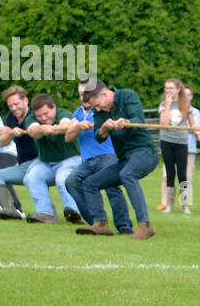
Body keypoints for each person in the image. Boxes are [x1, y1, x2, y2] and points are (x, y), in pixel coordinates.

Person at [70, 77, 159, 239]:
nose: (97, 109)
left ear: (105, 94)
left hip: (145, 153)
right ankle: (101, 224)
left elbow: (138, 119)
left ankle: (145, 225)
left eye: (97, 105)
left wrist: (126, 122)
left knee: (127, 174)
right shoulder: (99, 111)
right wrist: (105, 127)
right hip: (125, 159)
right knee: (90, 183)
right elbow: (99, 137)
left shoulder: (127, 96)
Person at [65, 85, 133, 235]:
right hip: (87, 161)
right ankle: (98, 222)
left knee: (112, 187)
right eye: (81, 93)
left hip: (107, 156)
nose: (84, 96)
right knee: (71, 181)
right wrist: (77, 127)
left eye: (86, 93)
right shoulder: (77, 113)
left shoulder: (103, 109)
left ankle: (124, 226)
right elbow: (68, 137)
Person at [21, 93, 82, 223]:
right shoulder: (32, 118)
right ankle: (46, 213)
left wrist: (57, 128)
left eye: (46, 113)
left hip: (69, 159)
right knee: (32, 177)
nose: (43, 118)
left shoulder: (63, 113)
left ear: (53, 107)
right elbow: (33, 130)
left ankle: (74, 212)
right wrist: (42, 129)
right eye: (39, 116)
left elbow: (66, 124)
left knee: (62, 180)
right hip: (46, 163)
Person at [0, 85, 40, 217]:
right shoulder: (11, 117)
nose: (14, 108)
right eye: (11, 105)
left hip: (39, 162)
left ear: (25, 101)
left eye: (16, 104)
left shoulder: (35, 115)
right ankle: (10, 210)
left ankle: (45, 213)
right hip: (22, 165)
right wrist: (11, 134)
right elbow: (2, 141)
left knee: (30, 178)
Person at [156, 79, 191, 213]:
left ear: (178, 89)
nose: (168, 90)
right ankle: (169, 205)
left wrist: (199, 134)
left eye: (171, 88)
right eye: (166, 88)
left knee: (182, 174)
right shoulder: (164, 104)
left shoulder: (186, 104)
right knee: (170, 173)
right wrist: (169, 104)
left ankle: (185, 204)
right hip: (166, 141)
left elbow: (192, 123)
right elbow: (164, 123)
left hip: (181, 142)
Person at [181, 84, 200, 215]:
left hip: (189, 148)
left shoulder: (195, 112)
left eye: (188, 94)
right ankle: (167, 204)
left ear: (191, 97)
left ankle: (185, 205)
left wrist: (188, 125)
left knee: (187, 178)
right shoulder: (174, 109)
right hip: (174, 146)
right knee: (168, 176)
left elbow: (195, 127)